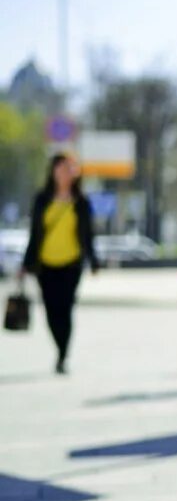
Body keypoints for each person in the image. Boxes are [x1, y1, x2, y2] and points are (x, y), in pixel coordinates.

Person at [19, 153, 100, 374]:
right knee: (51, 309)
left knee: (66, 308)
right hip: (45, 264)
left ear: (75, 173)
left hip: (71, 264)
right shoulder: (42, 199)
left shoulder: (81, 202)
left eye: (68, 168)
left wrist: (93, 261)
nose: (64, 172)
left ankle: (63, 354)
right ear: (53, 171)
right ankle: (59, 346)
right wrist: (25, 264)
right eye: (60, 168)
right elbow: (34, 234)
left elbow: (88, 235)